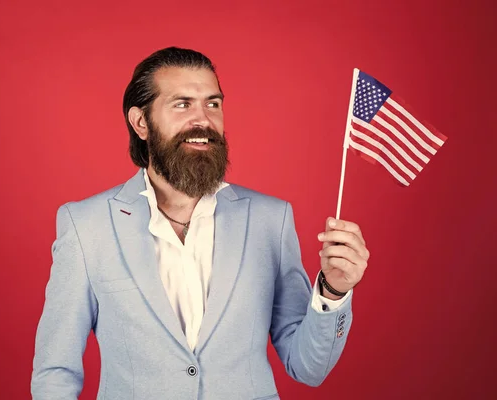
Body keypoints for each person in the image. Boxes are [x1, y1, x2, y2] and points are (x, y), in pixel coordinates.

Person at [31, 47, 370, 400]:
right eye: (182, 104)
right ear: (141, 122)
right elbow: (55, 370)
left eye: (213, 104)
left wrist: (333, 291)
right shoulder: (86, 225)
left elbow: (307, 368)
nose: (203, 120)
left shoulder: (271, 219)